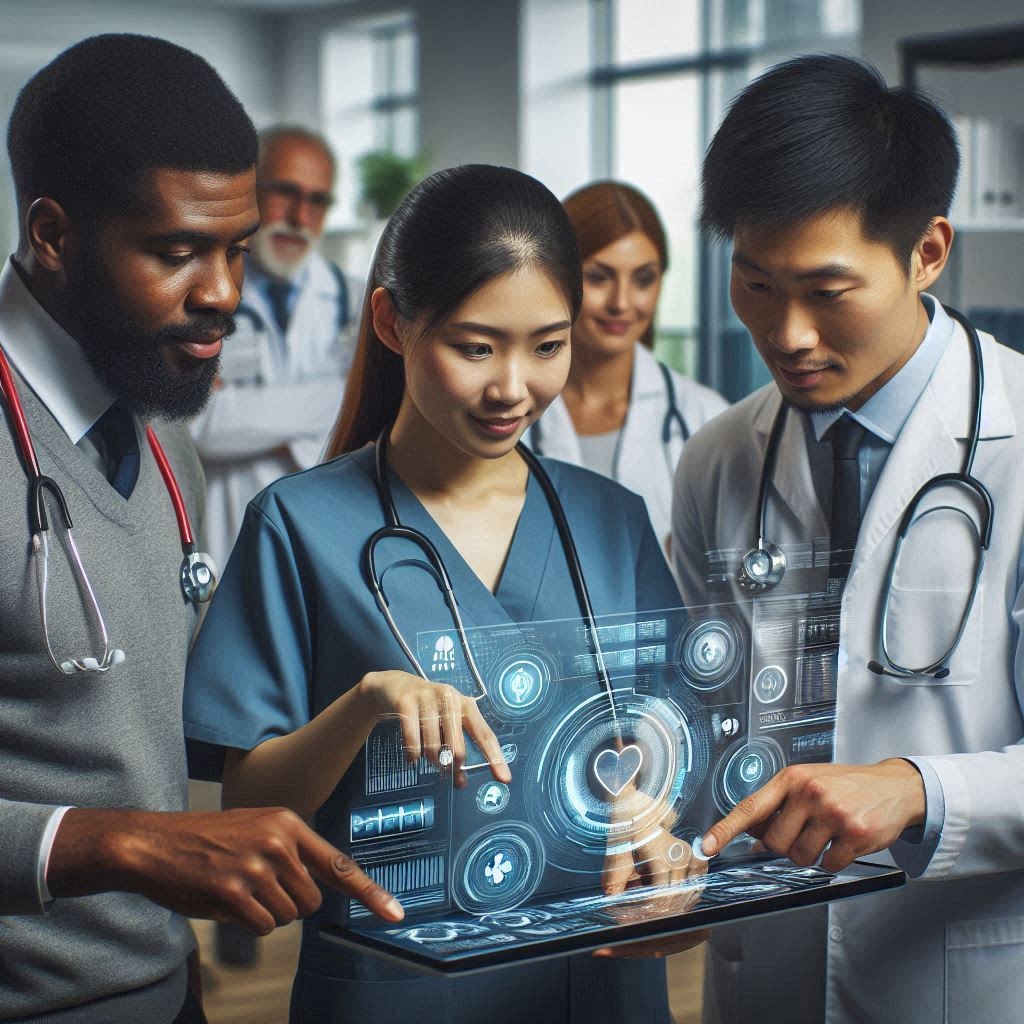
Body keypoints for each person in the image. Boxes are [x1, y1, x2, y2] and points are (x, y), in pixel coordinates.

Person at [183, 164, 700, 1023]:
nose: (514, 388)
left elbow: (672, 740)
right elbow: (250, 806)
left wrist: (662, 832)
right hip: (404, 987)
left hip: (598, 974)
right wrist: (365, 705)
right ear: (392, 320)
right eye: (476, 346)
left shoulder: (611, 518)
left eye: (548, 345)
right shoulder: (299, 525)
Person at [0, 35, 399, 1024]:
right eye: (177, 251)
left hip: (166, 986)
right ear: (52, 234)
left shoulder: (158, 425)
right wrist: (122, 845)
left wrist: (374, 708)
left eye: (234, 247)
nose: (223, 291)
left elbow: (162, 720)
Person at [670, 54, 1024, 1023]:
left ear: (928, 251)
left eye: (827, 292)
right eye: (753, 284)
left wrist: (919, 788)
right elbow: (698, 707)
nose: (783, 334)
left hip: (957, 975)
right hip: (759, 970)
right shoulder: (717, 457)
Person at [190, 125, 360, 568]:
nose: (301, 217)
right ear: (249, 190)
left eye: (317, 201)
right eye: (285, 192)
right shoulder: (198, 294)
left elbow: (371, 424)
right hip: (226, 537)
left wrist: (250, 412)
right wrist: (338, 390)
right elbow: (198, 425)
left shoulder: (357, 301)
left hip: (326, 538)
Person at [526, 180, 727, 553]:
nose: (622, 303)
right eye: (599, 277)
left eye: (643, 279)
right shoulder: (512, 411)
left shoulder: (704, 416)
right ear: (557, 278)